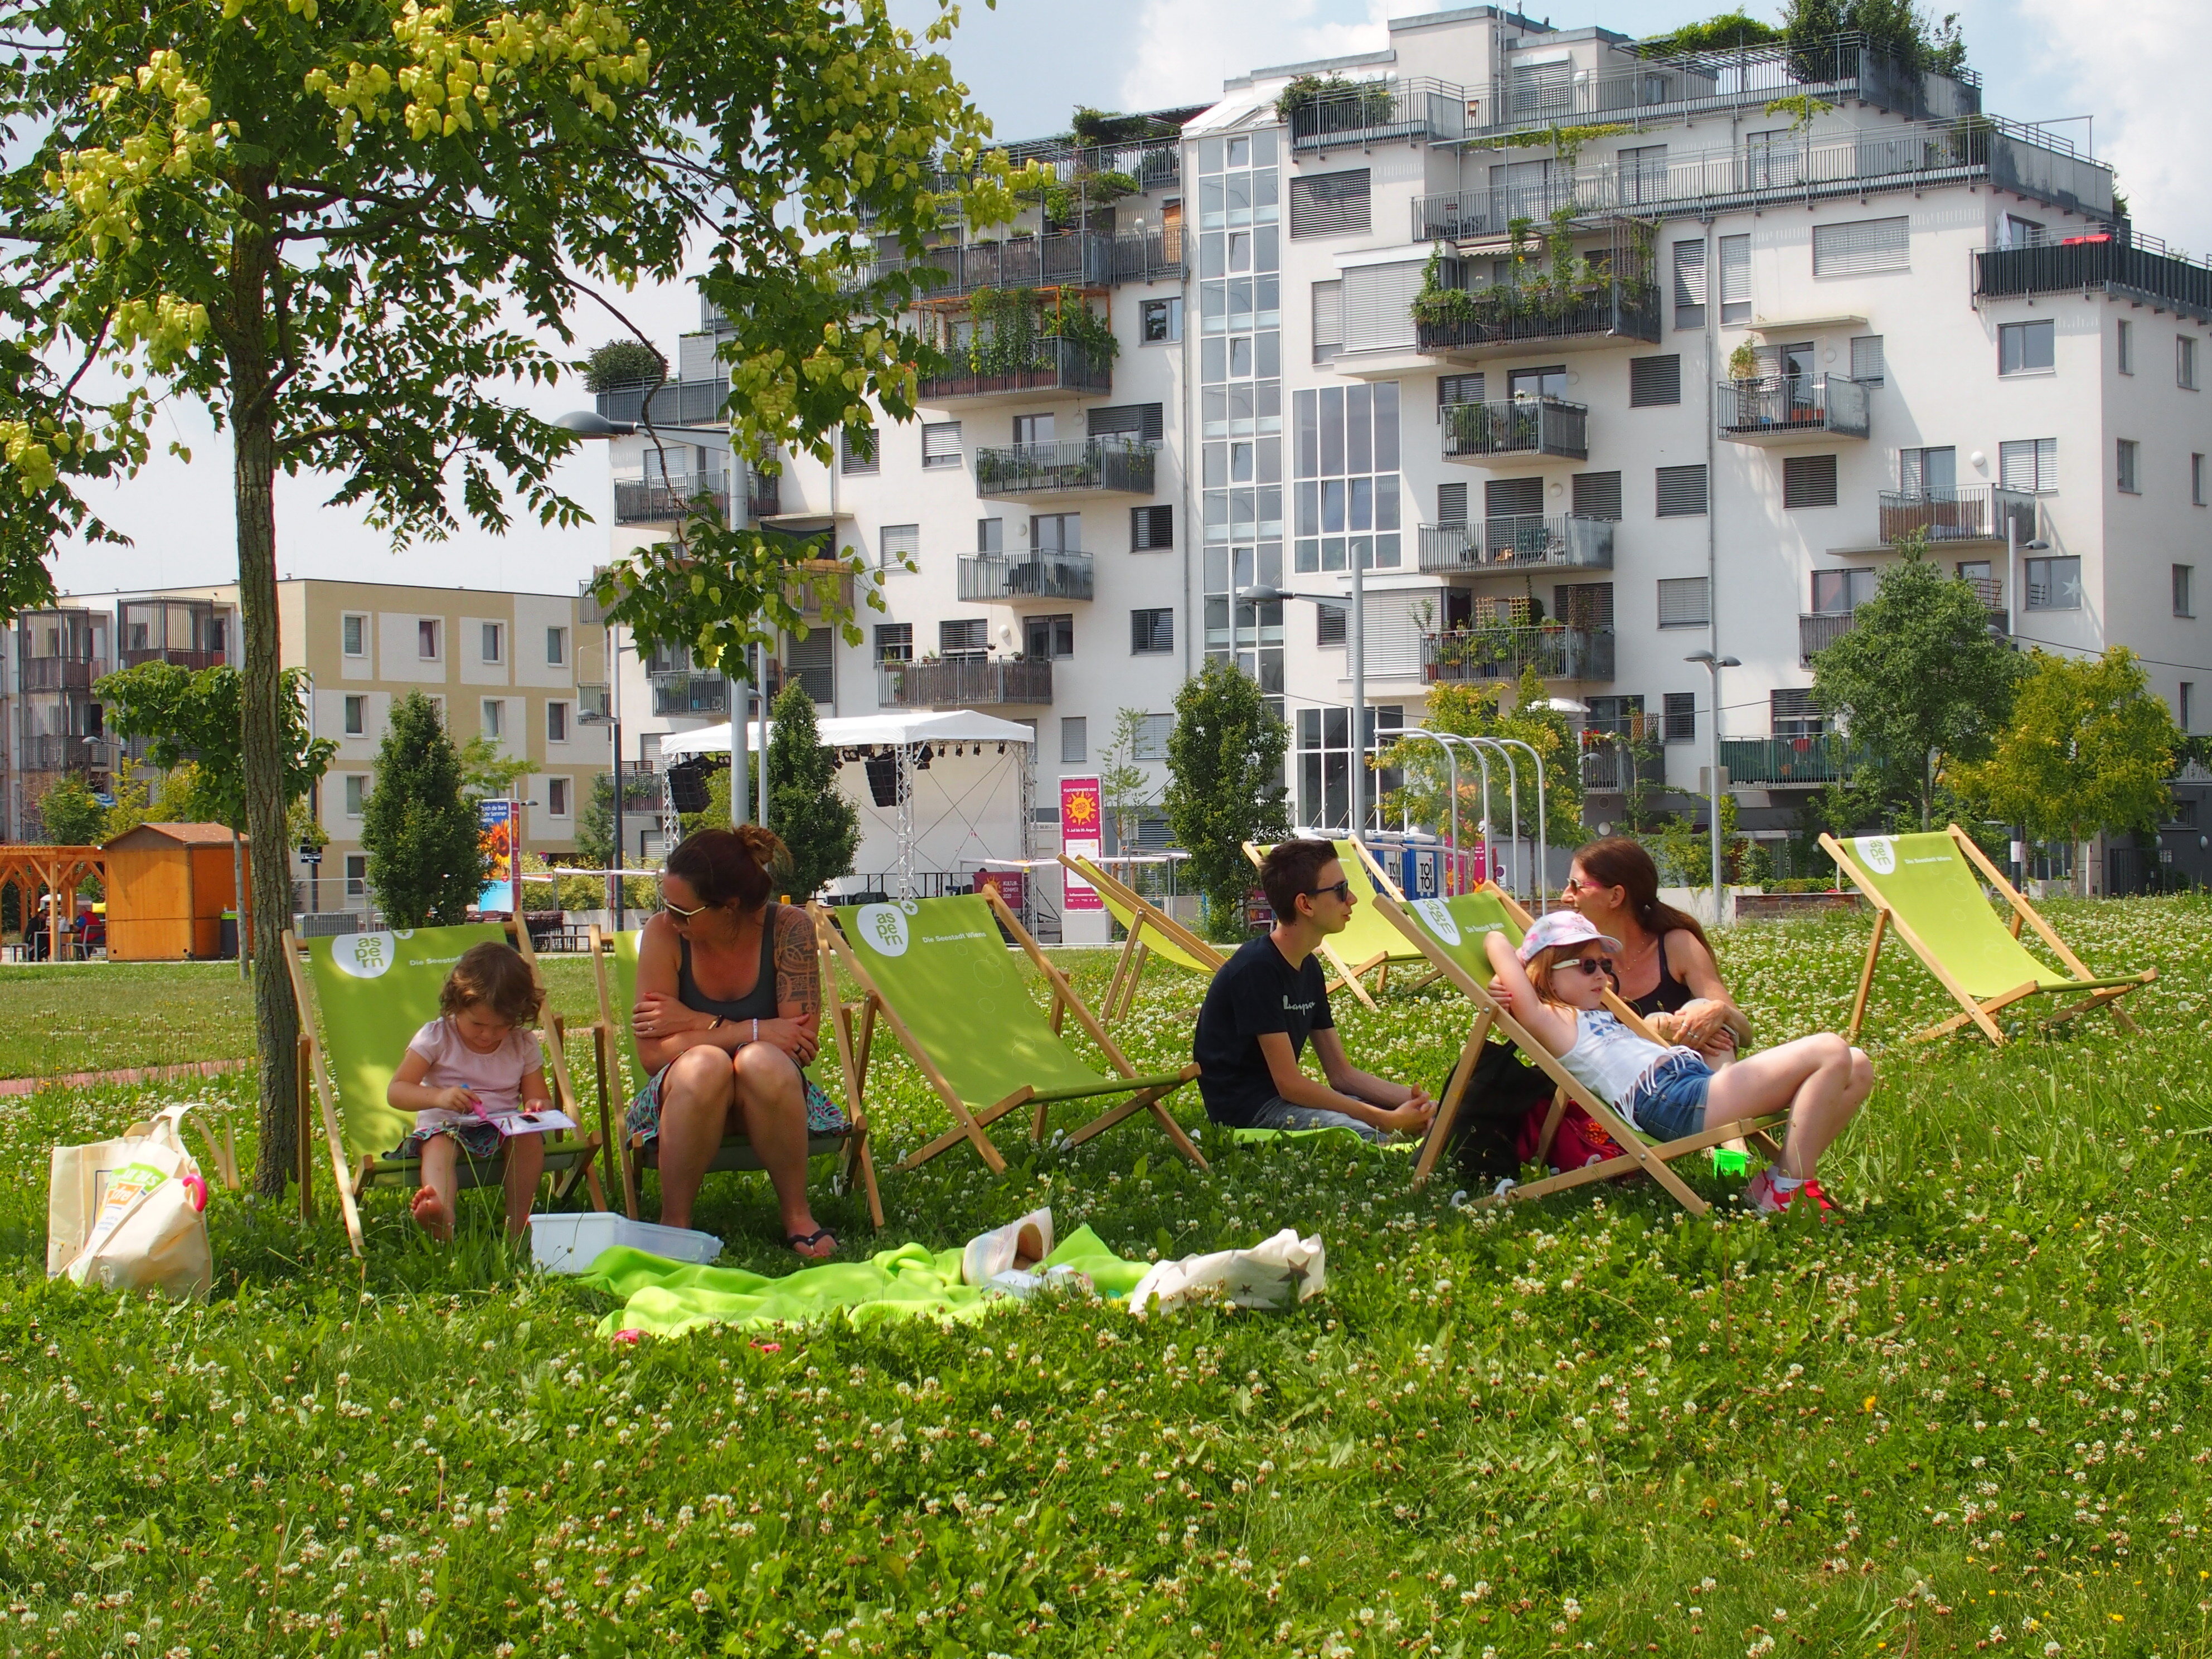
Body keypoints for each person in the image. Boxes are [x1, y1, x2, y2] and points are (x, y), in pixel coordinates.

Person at [1483, 910, 1873, 1217]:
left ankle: (1774, 1183)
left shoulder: (1589, 1011)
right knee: (1829, 1049)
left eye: (1604, 965)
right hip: (1670, 1101)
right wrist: (1516, 972)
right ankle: (1788, 1189)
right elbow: (1494, 939)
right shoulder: (1551, 1020)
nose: (1602, 975)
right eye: (1587, 966)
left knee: (1857, 1066)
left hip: (1690, 1084)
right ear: (1547, 976)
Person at [630, 825, 845, 1258]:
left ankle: (798, 1216)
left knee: (760, 1062)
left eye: (683, 911)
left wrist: (692, 1023)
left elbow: (797, 1044)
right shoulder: (663, 934)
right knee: (704, 1066)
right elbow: (653, 1055)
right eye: (665, 904)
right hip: (686, 1097)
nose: (670, 919)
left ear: (728, 908)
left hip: (767, 1095)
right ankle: (674, 1224)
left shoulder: (789, 930)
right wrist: (749, 1030)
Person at [1191, 839, 1436, 1144]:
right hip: (1249, 1110)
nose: (1352, 899)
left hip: (1286, 1100)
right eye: (1341, 890)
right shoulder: (1256, 969)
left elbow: (1342, 1074)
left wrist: (1424, 1106)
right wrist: (1386, 1121)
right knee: (1359, 1133)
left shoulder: (1308, 966)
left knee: (1417, 1119)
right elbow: (1290, 1084)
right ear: (1305, 905)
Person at [386, 940, 554, 1241]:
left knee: (529, 1138)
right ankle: (440, 1212)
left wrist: (538, 1107)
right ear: (456, 1006)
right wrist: (440, 1097)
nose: (488, 1035)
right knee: (439, 1145)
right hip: (446, 1125)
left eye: (501, 1026)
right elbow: (397, 1091)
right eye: (477, 1023)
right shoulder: (437, 1037)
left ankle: (518, 1222)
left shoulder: (522, 1043)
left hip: (501, 1127)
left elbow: (539, 1097)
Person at [1557, 837, 1749, 1062]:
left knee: (1707, 1015)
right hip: (1611, 1076)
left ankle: (1718, 1084)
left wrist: (1719, 1012)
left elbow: (1746, 1034)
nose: (1565, 897)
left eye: (1576, 886)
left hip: (1681, 1074)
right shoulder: (1569, 959)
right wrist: (1654, 1028)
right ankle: (1722, 1085)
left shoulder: (1677, 945)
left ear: (1616, 896)